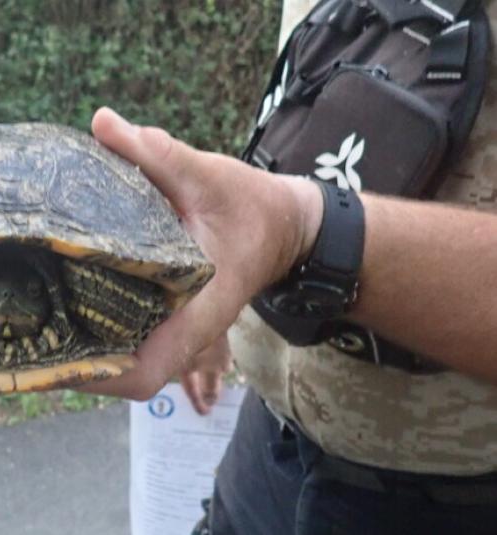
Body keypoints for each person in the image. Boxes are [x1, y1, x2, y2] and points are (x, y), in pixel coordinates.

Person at [82, 1, 497, 532]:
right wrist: (215, 282)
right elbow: (307, 100)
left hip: (450, 499)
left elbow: (300, 214)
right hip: (263, 450)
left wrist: (303, 231)